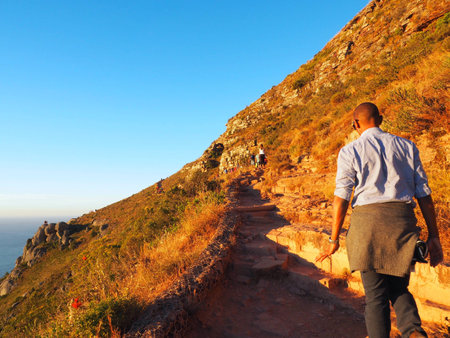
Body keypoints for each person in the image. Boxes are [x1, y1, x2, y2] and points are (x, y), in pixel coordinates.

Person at [316, 102, 443, 338]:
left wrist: (334, 239)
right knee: (398, 286)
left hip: (367, 227)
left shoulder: (350, 151)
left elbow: (341, 198)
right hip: (401, 224)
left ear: (355, 124)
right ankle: (413, 331)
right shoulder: (407, 146)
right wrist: (434, 236)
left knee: (375, 298)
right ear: (381, 119)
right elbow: (424, 195)